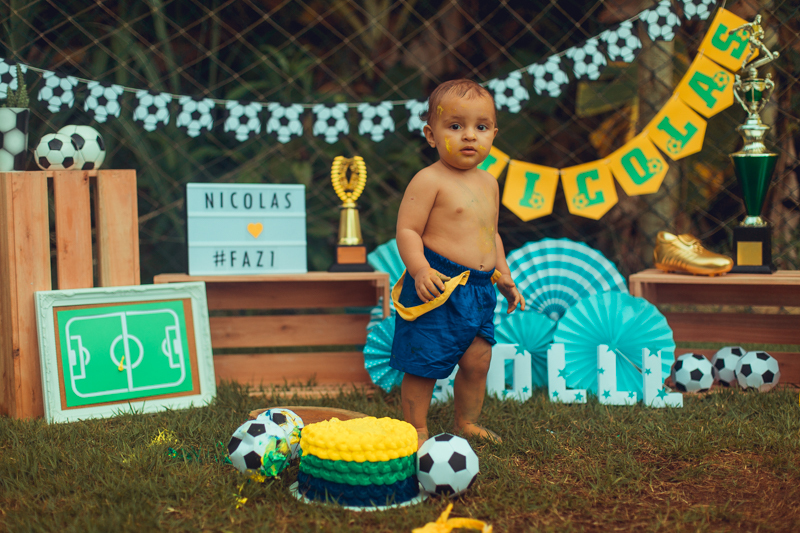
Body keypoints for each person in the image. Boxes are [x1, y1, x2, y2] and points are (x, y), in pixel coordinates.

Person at [390, 79, 525, 448]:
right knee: (425, 361)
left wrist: (505, 276)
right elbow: (407, 231)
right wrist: (420, 270)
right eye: (455, 126)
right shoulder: (429, 179)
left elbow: (490, 234)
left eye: (480, 127)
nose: (469, 136)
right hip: (440, 284)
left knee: (478, 359)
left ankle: (466, 421)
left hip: (480, 288)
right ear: (431, 135)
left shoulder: (489, 183)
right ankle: (416, 427)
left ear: (494, 134)